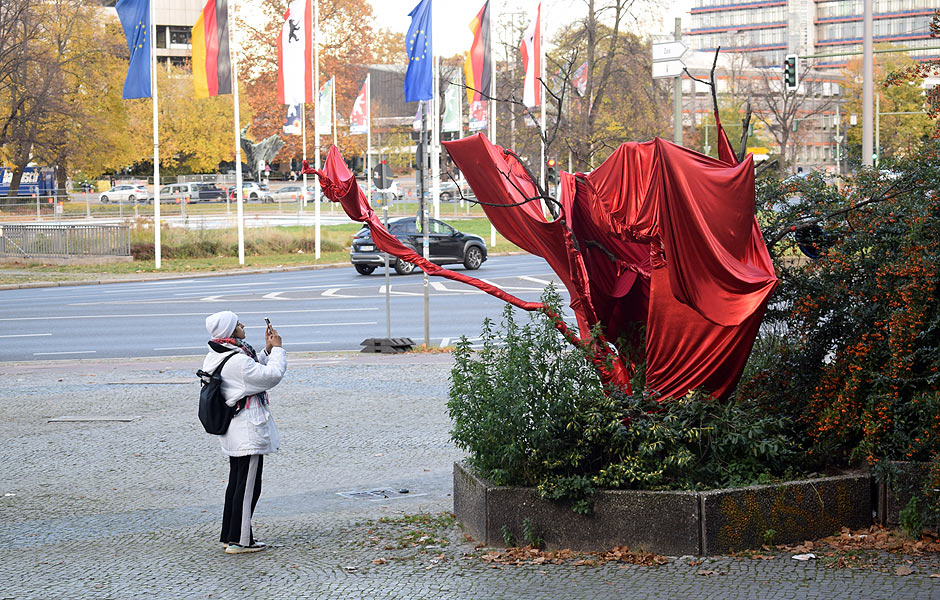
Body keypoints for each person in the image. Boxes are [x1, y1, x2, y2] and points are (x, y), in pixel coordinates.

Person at [202, 311, 286, 554]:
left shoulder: (220, 353)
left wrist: (267, 351)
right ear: (230, 330)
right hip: (247, 430)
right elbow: (270, 376)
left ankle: (230, 535)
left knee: (237, 484)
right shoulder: (237, 360)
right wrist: (278, 350)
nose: (242, 325)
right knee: (248, 487)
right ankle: (242, 541)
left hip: (234, 429)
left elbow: (250, 370)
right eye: (238, 323)